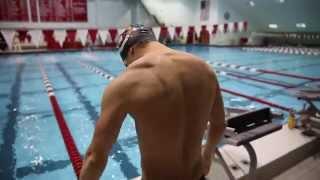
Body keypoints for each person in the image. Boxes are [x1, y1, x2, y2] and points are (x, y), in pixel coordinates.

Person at [80, 25, 225, 180]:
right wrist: (208, 153)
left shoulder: (125, 83)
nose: (129, 68)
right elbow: (219, 124)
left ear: (132, 50)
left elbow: (95, 158)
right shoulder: (205, 69)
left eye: (127, 64)